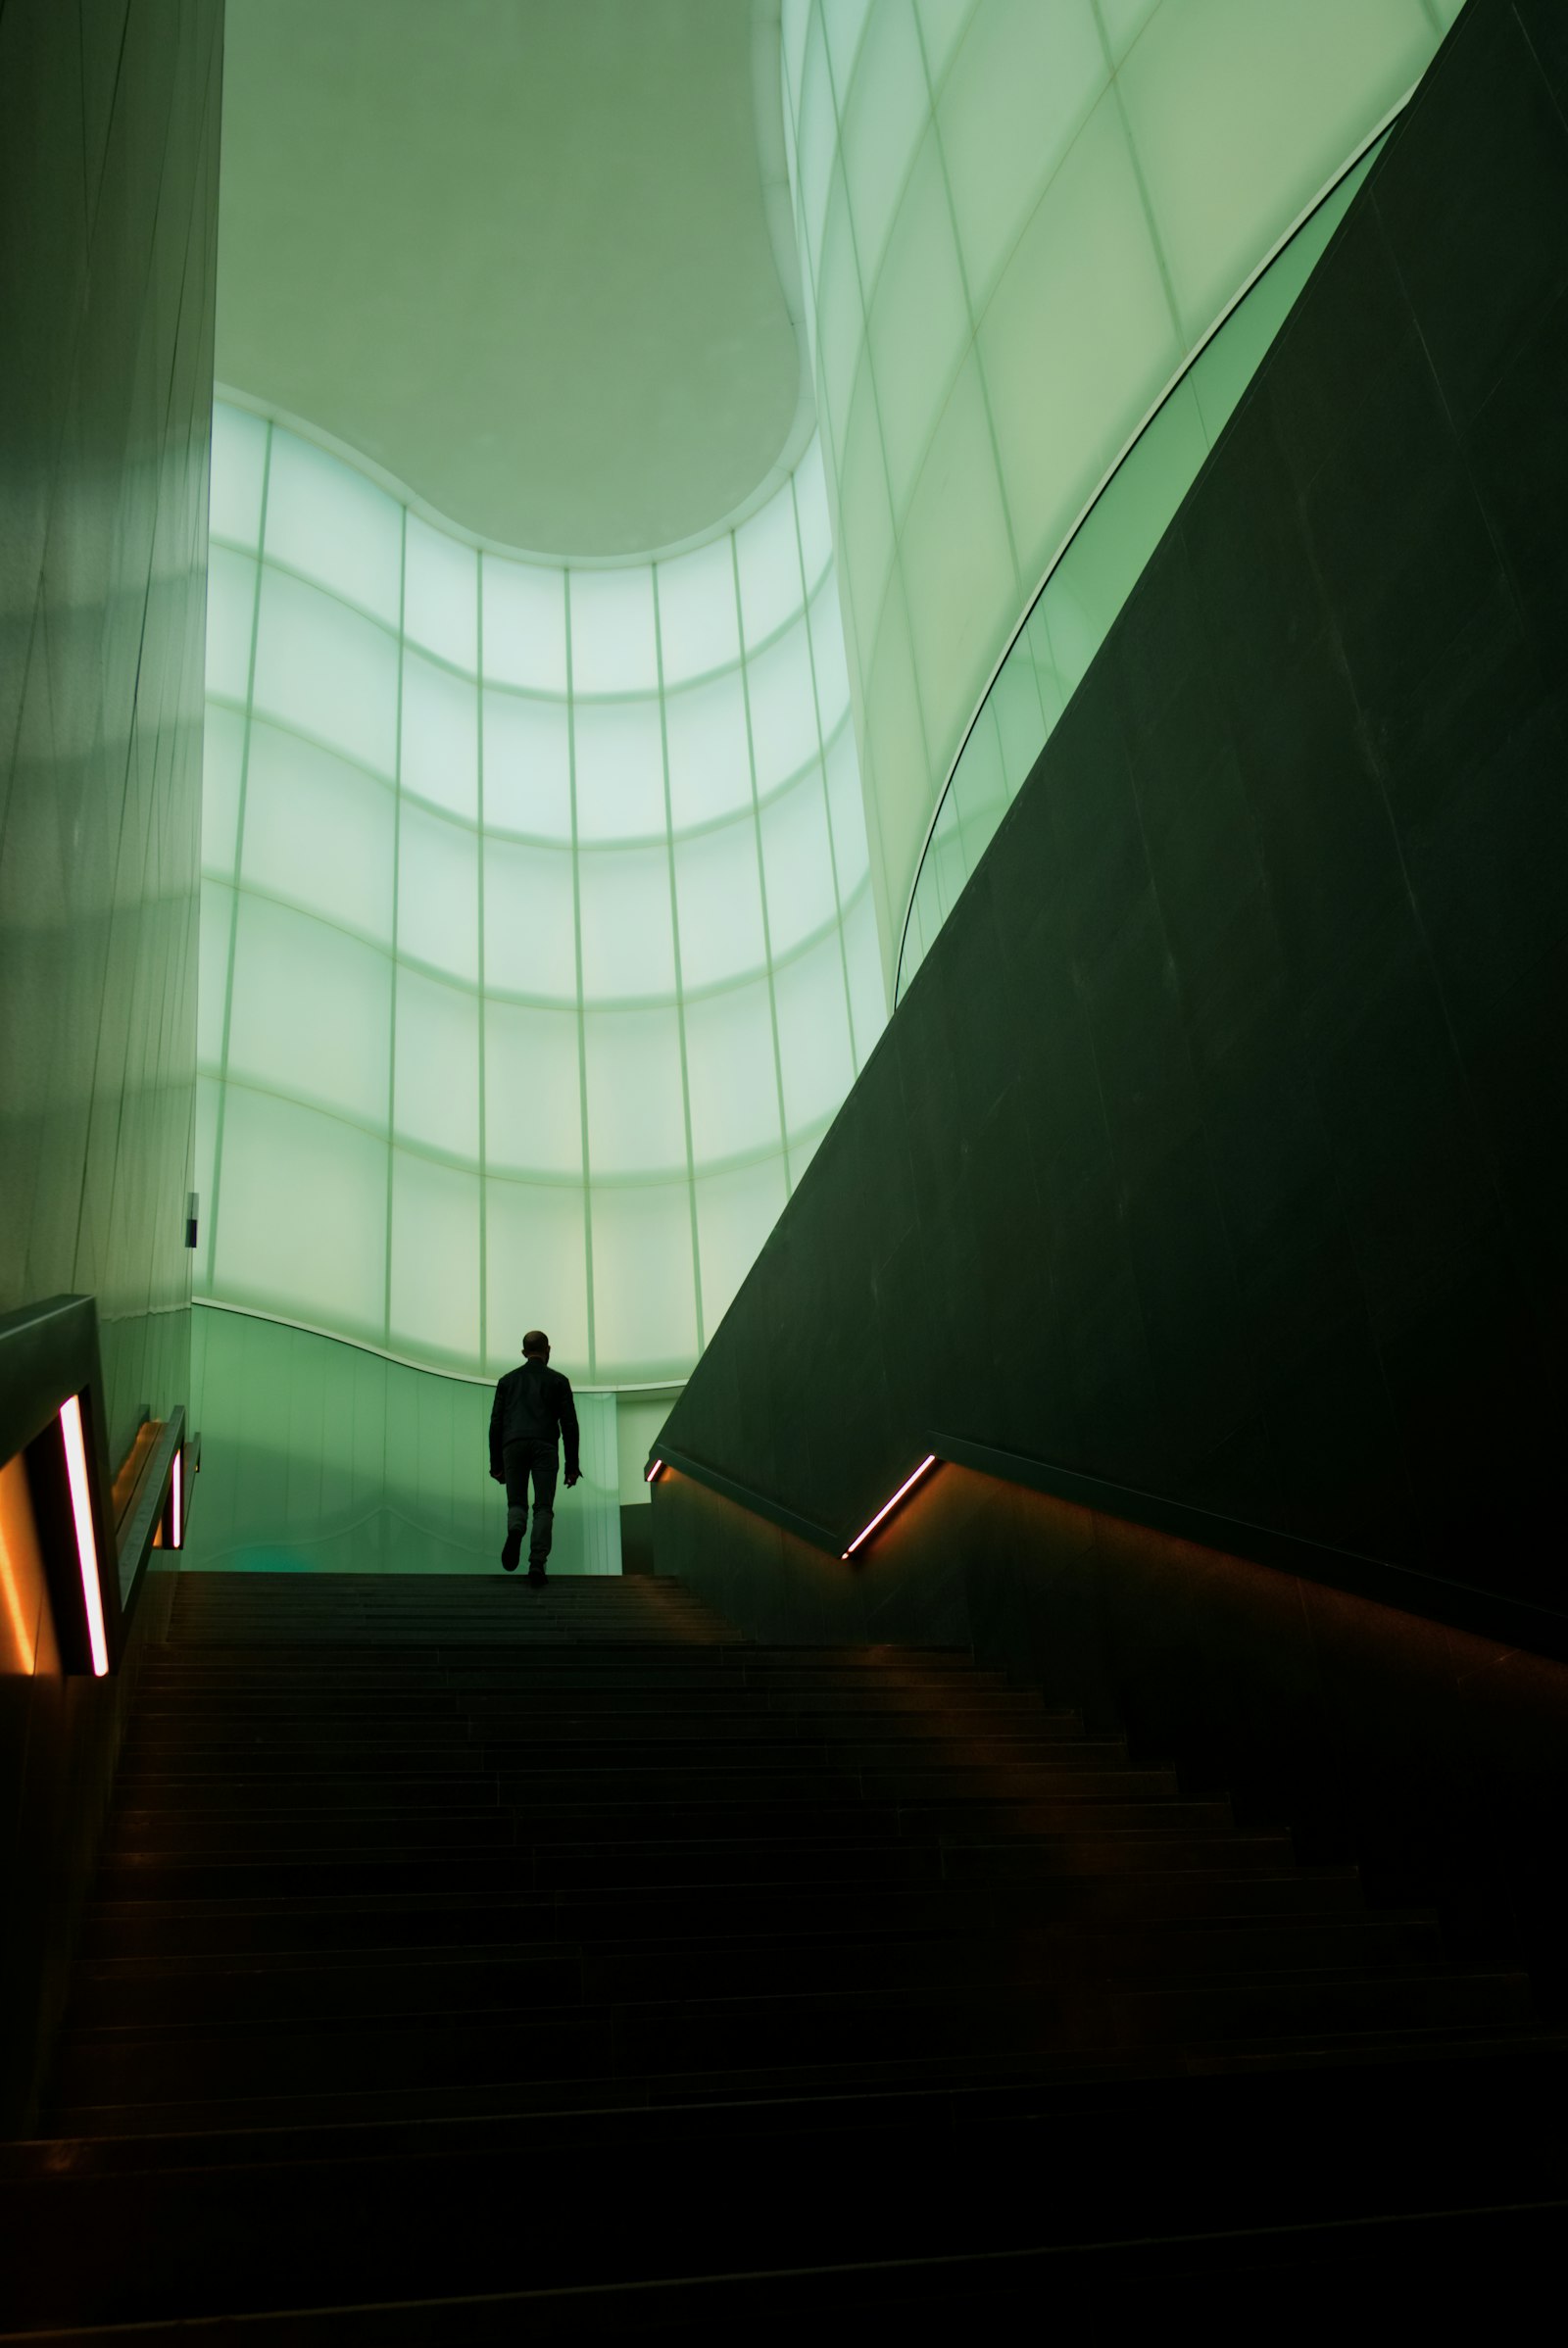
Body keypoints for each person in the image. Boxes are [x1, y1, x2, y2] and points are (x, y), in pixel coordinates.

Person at [488, 1330, 580, 1581]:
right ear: (548, 1350)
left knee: (516, 1502)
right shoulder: (559, 1381)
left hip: (513, 1444)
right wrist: (573, 1465)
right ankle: (537, 1562)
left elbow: (496, 1423)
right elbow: (569, 1424)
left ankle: (516, 1528)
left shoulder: (507, 1381)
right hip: (545, 1446)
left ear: (523, 1352)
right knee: (543, 1507)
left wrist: (496, 1463)